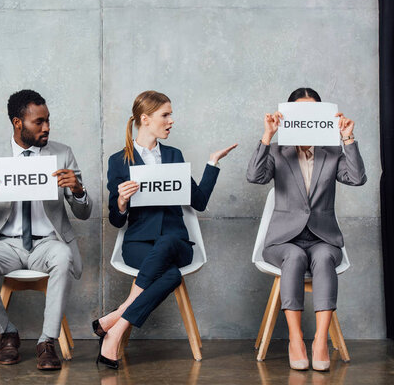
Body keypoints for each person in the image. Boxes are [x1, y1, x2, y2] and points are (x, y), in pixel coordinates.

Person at [94, 90, 237, 369]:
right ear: (145, 119)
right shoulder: (118, 161)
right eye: (165, 115)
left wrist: (212, 163)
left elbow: (199, 202)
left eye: (171, 114)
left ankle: (117, 320)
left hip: (177, 243)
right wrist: (122, 200)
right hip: (138, 243)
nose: (171, 120)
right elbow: (116, 220)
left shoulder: (174, 155)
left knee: (169, 242)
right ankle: (114, 329)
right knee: (170, 276)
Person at [0, 89, 92, 371]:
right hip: (5, 243)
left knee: (63, 257)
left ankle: (47, 342)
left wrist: (78, 189)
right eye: (39, 122)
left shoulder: (62, 153)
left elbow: (84, 213)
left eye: (48, 120)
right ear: (18, 123)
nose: (46, 127)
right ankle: (7, 332)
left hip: (48, 242)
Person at [247, 87, 366, 371]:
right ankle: (296, 339)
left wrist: (347, 138)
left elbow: (357, 178)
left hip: (323, 238)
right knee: (295, 258)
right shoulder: (278, 151)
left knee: (324, 258)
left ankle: (320, 341)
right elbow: (254, 176)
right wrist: (268, 136)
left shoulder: (332, 152)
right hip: (282, 242)